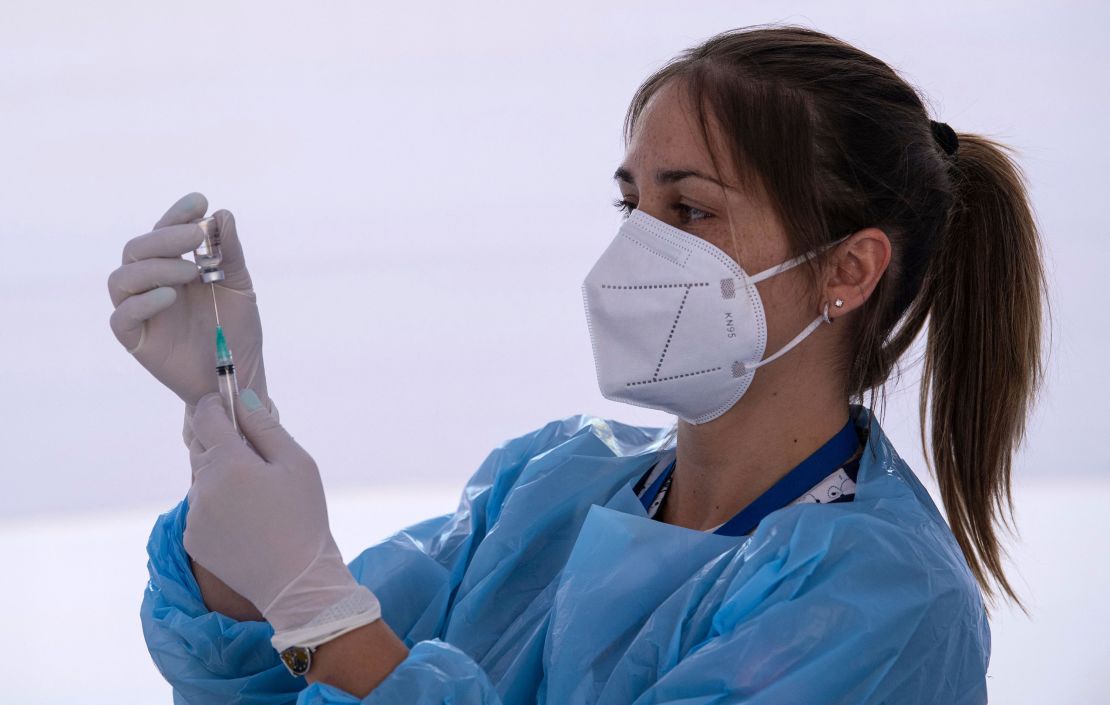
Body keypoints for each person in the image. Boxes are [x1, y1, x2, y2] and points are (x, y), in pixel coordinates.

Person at [109, 24, 1045, 705]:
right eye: (630, 203)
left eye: (690, 212)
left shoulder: (882, 604)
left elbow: (343, 643)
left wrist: (323, 613)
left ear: (846, 269)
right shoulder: (552, 487)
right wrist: (230, 414)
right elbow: (264, 685)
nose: (637, 251)